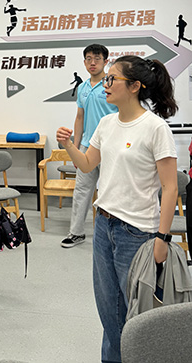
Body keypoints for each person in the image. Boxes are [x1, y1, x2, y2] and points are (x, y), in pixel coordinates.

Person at [57, 55, 178, 363]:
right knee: (109, 311)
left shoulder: (155, 128)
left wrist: (162, 238)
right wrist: (70, 145)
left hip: (137, 234)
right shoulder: (107, 124)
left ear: (135, 86)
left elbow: (170, 187)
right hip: (103, 226)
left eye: (112, 79)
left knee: (137, 315)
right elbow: (88, 164)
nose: (105, 85)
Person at [61, 44, 117, 248]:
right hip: (87, 146)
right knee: (81, 190)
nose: (92, 63)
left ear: (105, 61)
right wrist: (75, 149)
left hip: (111, 146)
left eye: (97, 59)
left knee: (110, 191)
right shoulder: (83, 87)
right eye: (88, 59)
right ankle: (76, 233)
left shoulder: (112, 84)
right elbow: (80, 117)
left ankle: (111, 235)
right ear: (84, 62)